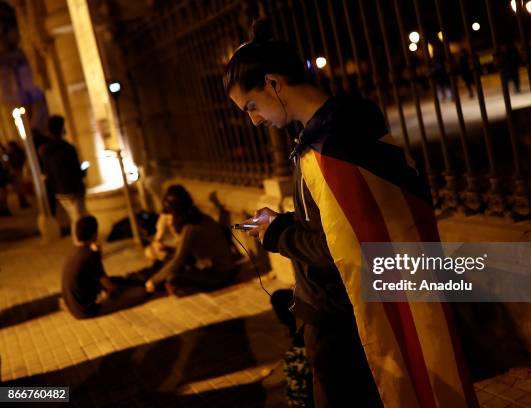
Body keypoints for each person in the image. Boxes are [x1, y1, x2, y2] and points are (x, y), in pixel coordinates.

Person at [225, 22, 477, 408]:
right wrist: (284, 223)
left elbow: (348, 249)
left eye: (252, 106)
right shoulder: (324, 135)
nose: (254, 120)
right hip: (336, 312)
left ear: (273, 83)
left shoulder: (337, 143)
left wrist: (278, 234)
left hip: (345, 322)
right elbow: (340, 227)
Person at [144, 185, 238, 296]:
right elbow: (184, 252)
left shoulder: (190, 228)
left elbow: (179, 259)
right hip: (221, 270)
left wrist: (154, 281)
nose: (169, 220)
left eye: (170, 215)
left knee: (173, 277)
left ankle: (172, 288)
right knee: (168, 263)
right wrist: (168, 249)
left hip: (221, 275)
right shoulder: (198, 217)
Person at [61, 216, 148, 319]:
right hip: (88, 310)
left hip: (74, 307)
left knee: (121, 281)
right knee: (141, 292)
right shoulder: (89, 255)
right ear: (94, 234)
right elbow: (110, 287)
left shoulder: (74, 251)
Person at [40, 115, 87, 241]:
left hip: (60, 192)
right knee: (79, 219)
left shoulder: (45, 151)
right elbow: (77, 171)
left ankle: (80, 244)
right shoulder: (68, 148)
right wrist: (84, 171)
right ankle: (81, 246)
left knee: (74, 218)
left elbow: (47, 173)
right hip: (74, 189)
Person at [6, 140, 29, 209]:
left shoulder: (11, 152)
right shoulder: (17, 150)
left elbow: (10, 161)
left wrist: (12, 168)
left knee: (18, 187)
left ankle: (23, 202)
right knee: (19, 186)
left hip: (15, 170)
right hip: (18, 169)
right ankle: (23, 202)